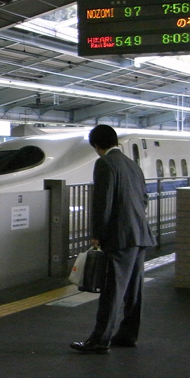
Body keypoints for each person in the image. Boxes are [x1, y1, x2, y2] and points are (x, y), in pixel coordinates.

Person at [71, 125, 154, 354]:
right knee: (134, 291)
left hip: (120, 238)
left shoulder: (104, 163)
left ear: (96, 145)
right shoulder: (132, 165)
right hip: (140, 235)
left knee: (112, 291)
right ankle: (128, 335)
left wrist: (97, 235)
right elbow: (144, 199)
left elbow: (102, 202)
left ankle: (99, 340)